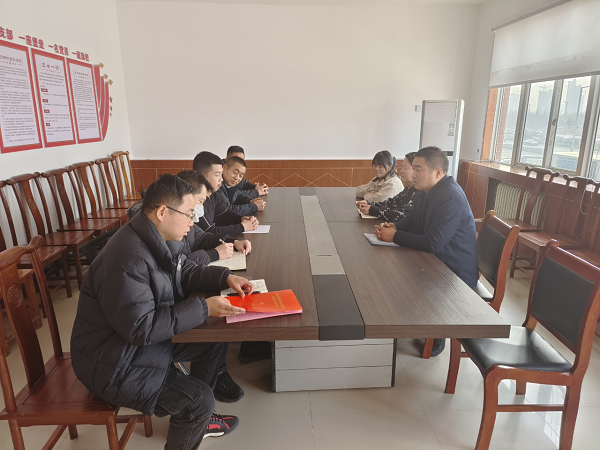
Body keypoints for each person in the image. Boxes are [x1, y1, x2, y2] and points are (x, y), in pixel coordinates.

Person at [71, 174, 254, 449]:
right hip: (112, 361)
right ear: (162, 212)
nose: (192, 222)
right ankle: (196, 415)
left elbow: (184, 270)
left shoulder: (156, 237)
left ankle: (198, 420)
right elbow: (141, 329)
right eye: (189, 214)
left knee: (212, 340)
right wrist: (203, 307)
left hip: (132, 345)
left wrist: (225, 277)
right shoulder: (126, 259)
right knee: (199, 400)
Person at [374, 146, 478, 357]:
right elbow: (412, 220)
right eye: (413, 168)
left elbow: (433, 243)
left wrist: (395, 236)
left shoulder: (450, 196)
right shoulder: (426, 190)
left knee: (396, 270)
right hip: (435, 260)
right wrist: (395, 227)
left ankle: (436, 333)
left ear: (438, 172)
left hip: (453, 272)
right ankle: (404, 320)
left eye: (418, 169)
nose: (412, 174)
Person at [176, 169, 250, 402]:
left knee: (226, 297)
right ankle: (214, 377)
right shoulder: (171, 225)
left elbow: (200, 237)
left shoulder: (185, 219)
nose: (199, 209)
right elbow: (180, 266)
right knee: (217, 320)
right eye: (200, 202)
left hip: (181, 291)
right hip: (173, 304)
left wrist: (231, 242)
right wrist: (213, 254)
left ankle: (216, 374)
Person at [193, 151, 259, 235]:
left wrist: (242, 219)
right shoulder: (196, 199)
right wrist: (242, 227)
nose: (221, 179)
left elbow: (225, 213)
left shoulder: (213, 193)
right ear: (201, 176)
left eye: (221, 174)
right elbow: (210, 231)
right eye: (217, 175)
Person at [356, 151, 417, 223]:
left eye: (405, 167)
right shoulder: (409, 189)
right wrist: (369, 204)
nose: (401, 171)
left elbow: (402, 215)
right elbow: (391, 203)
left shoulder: (394, 184)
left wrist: (372, 209)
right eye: (402, 167)